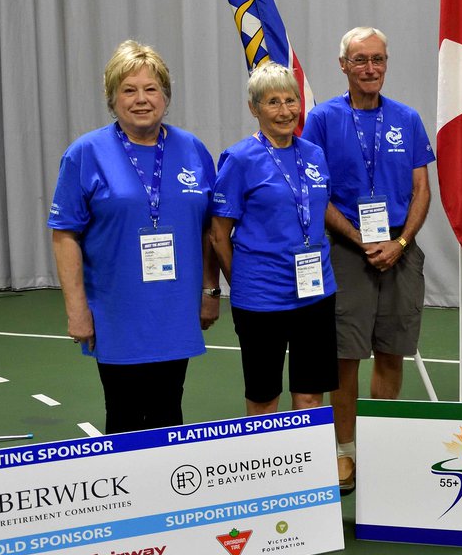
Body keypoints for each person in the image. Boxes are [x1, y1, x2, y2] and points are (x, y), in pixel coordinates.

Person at [49, 40, 220, 434]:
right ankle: (130, 496)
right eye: (129, 90)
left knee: (168, 412)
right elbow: (65, 235)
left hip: (176, 310)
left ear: (165, 96)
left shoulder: (192, 149)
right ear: (112, 98)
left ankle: (169, 494)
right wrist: (77, 310)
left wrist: (210, 292)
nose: (141, 99)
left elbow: (210, 229)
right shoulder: (85, 153)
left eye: (151, 89)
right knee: (125, 416)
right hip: (117, 312)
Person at [303, 27, 434, 493]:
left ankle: (380, 447)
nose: (371, 68)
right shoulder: (320, 120)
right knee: (345, 356)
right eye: (360, 60)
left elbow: (422, 190)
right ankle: (345, 451)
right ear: (343, 66)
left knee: (391, 349)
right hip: (345, 251)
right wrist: (361, 240)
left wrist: (399, 244)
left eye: (378, 59)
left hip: (399, 250)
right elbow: (314, 193)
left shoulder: (408, 119)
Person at [210, 62, 338, 416]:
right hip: (261, 297)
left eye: (290, 100)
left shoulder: (314, 154)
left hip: (315, 291)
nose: (285, 111)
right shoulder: (239, 159)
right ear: (254, 108)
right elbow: (219, 234)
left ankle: (308, 470)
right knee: (264, 396)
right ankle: (269, 469)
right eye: (273, 102)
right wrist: (244, 281)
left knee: (311, 395)